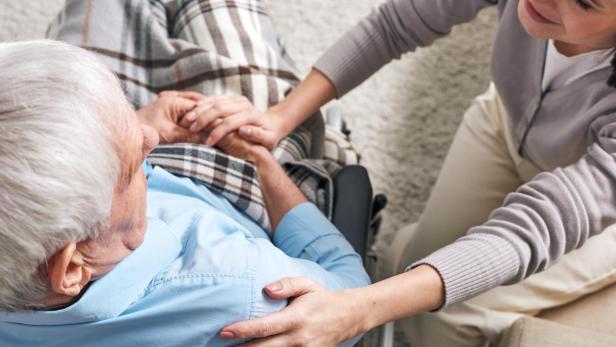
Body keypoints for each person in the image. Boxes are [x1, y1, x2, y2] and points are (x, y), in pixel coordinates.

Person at [190, 0, 616, 346]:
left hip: (593, 193)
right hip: (503, 122)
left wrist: (361, 310)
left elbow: (534, 228)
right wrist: (282, 116)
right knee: (404, 263)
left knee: (439, 325)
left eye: (583, 2)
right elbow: (395, 24)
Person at [0, 40, 369, 346]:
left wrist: (124, 129)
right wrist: (261, 162)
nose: (152, 139)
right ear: (73, 268)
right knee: (253, 76)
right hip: (245, 188)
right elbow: (351, 293)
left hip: (105, 182)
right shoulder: (245, 287)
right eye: (131, 171)